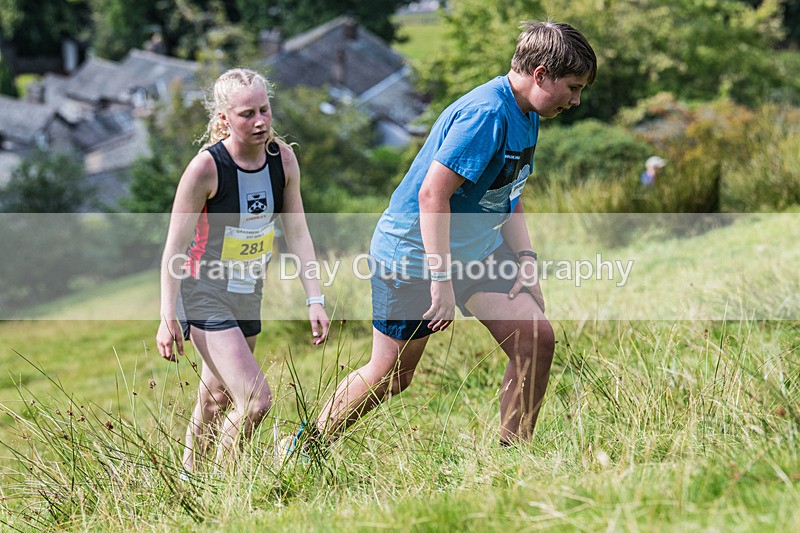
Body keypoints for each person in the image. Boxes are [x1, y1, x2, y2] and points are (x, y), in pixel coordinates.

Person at [312, 21, 597, 447]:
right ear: (540, 74)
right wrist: (441, 280)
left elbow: (508, 192)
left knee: (536, 339)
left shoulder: (530, 112)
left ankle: (512, 455)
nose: (575, 100)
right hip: (415, 256)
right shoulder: (486, 114)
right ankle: (305, 446)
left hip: (476, 251)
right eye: (573, 87)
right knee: (391, 376)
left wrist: (526, 260)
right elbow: (432, 195)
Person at [156, 68, 330, 472]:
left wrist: (315, 297)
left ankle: (188, 482)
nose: (260, 122)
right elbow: (174, 248)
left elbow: (298, 231)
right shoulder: (205, 169)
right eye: (247, 114)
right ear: (223, 119)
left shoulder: (282, 159)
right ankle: (227, 486)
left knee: (215, 398)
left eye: (265, 110)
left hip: (248, 292)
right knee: (254, 401)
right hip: (204, 292)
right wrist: (167, 317)